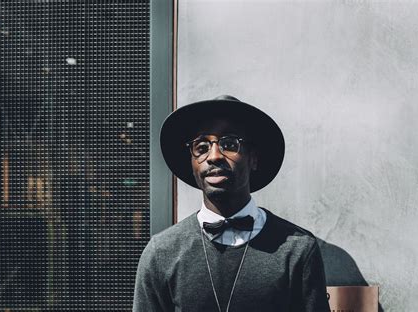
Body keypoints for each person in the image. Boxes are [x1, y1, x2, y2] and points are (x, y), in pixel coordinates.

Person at [133, 95, 330, 312]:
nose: (214, 155)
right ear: (192, 164)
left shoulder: (298, 249)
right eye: (201, 147)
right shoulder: (161, 253)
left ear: (253, 158)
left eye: (229, 144)